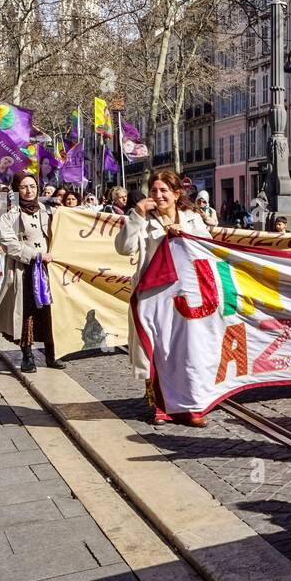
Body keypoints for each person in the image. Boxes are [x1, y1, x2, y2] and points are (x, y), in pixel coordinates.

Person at [115, 169, 212, 425]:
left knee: (188, 351)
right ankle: (161, 407)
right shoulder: (144, 219)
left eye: (164, 191)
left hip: (186, 295)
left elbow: (209, 247)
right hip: (153, 294)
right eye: (154, 190)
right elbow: (123, 247)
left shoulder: (192, 218)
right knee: (157, 350)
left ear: (176, 193)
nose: (158, 196)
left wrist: (188, 234)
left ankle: (192, 407)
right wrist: (136, 214)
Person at [0, 172, 61, 372]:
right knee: (26, 312)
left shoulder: (49, 212)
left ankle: (52, 354)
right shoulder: (9, 216)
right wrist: (35, 255)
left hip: (49, 270)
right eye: (24, 187)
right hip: (24, 270)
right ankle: (28, 355)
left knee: (51, 311)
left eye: (32, 186)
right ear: (17, 190)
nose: (29, 190)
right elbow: (9, 244)